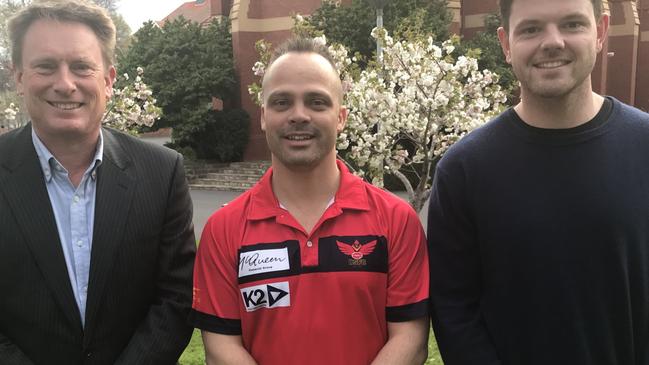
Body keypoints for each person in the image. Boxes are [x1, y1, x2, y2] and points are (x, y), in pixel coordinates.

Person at [427, 0, 649, 364]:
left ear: (601, 31)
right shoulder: (464, 170)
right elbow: (454, 309)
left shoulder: (644, 147)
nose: (552, 42)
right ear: (506, 43)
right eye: (530, 29)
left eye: (572, 24)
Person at [190, 37, 429, 365]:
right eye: (281, 102)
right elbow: (221, 349)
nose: (298, 115)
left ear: (341, 116)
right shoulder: (223, 230)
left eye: (316, 102)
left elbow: (410, 340)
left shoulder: (397, 220)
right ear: (263, 116)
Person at [0, 1, 196, 364]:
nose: (65, 84)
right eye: (45, 66)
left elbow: (176, 297)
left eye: (81, 67)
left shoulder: (163, 172)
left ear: (108, 80)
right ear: (19, 78)